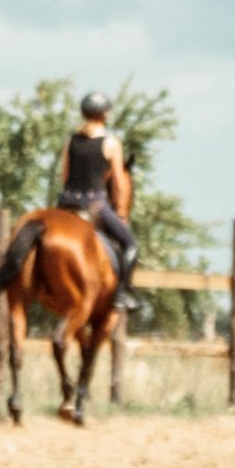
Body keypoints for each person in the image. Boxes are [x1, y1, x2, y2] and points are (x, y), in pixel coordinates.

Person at [57, 93, 138, 310]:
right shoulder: (111, 143)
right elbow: (119, 183)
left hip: (66, 203)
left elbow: (64, 176)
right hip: (96, 205)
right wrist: (121, 214)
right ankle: (122, 294)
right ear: (104, 114)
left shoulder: (70, 140)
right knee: (130, 245)